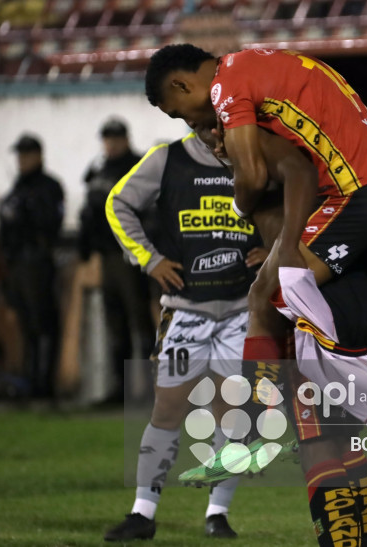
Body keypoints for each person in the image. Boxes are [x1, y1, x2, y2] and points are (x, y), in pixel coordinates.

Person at [144, 44, 367, 546]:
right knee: (333, 430)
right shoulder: (276, 82)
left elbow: (259, 181)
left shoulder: (229, 90)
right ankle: (353, 536)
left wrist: (262, 213)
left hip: (344, 257)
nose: (197, 126)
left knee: (269, 306)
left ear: (182, 87)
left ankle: (251, 428)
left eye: (184, 114)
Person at [102, 128, 267, 540]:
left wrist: (278, 244)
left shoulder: (259, 155)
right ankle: (143, 513)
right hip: (185, 309)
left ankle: (217, 514)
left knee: (231, 414)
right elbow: (117, 203)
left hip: (241, 309)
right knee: (168, 408)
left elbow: (303, 202)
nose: (214, 127)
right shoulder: (166, 159)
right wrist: (149, 258)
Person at [79, 118, 154, 403]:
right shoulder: (98, 169)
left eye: (115, 138)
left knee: (139, 321)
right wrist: (85, 249)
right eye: (107, 138)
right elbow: (88, 214)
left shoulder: (138, 165)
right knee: (115, 322)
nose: (110, 143)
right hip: (106, 255)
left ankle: (146, 389)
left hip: (131, 254)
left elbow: (147, 210)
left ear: (125, 138)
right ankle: (119, 389)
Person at [0, 134, 64, 398]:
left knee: (42, 322)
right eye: (19, 156)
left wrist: (27, 213)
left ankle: (43, 383)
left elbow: (50, 223)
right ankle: (30, 378)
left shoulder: (47, 187)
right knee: (26, 325)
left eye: (26, 155)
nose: (21, 161)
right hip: (16, 262)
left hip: (37, 260)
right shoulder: (17, 187)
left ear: (38, 156)